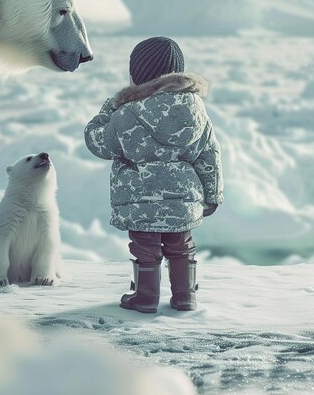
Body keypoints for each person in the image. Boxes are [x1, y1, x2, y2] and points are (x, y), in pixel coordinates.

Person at [84, 37, 223, 313]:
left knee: (145, 248)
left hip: (139, 199)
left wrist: (107, 110)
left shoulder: (126, 113)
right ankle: (185, 296)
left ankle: (145, 297)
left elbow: (98, 142)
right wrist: (212, 194)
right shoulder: (195, 109)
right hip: (182, 200)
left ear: (138, 74)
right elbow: (209, 153)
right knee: (181, 246)